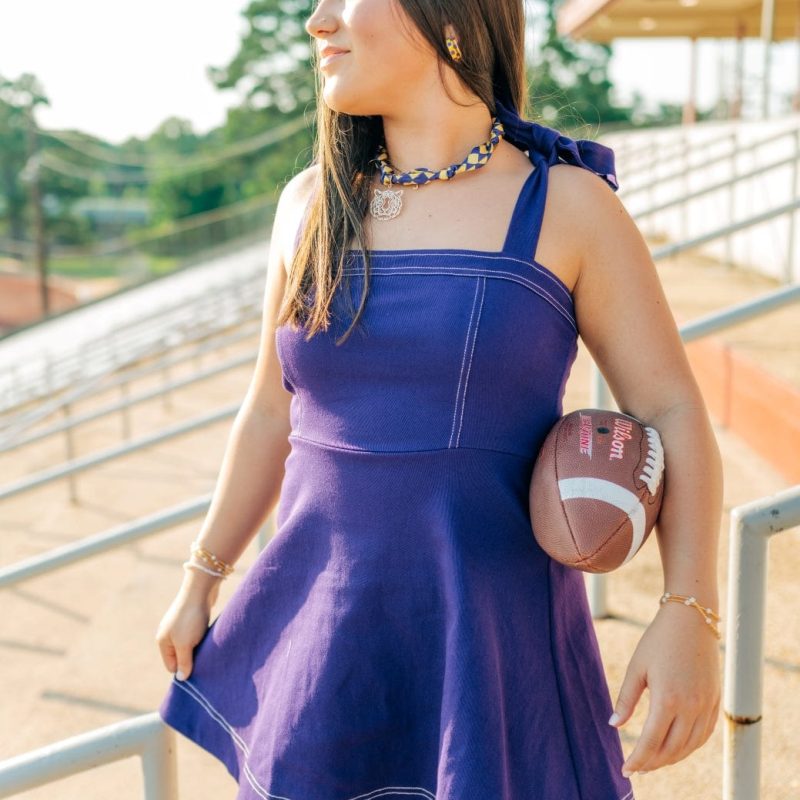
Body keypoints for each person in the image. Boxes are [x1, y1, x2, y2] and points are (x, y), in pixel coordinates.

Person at [155, 1, 723, 798]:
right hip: (323, 633)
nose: (317, 22)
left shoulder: (568, 205)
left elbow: (671, 409)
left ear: (449, 17)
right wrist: (200, 578)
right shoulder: (307, 204)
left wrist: (690, 611)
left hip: (490, 647)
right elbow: (269, 412)